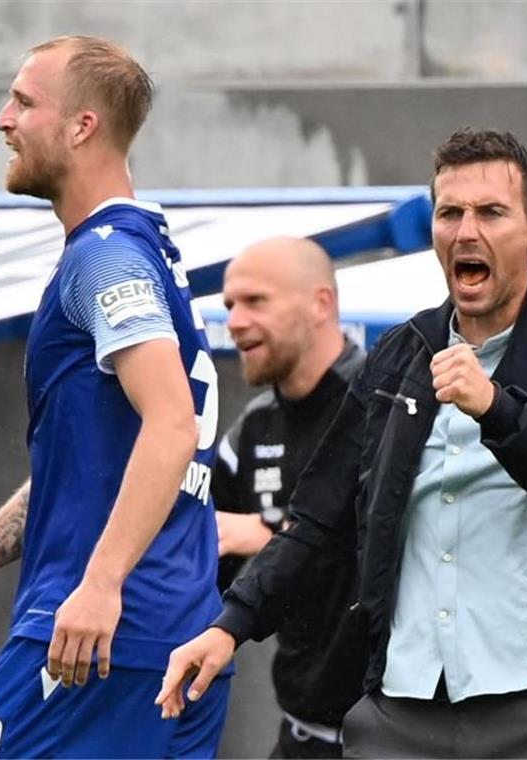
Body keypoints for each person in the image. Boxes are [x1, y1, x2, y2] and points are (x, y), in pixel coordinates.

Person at [156, 127, 527, 759]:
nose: (467, 230)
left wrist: (496, 408)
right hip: (398, 712)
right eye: (450, 213)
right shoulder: (400, 356)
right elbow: (317, 520)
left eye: (491, 212)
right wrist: (230, 627)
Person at [0, 35, 229, 759]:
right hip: (168, 633)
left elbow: (171, 425)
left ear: (83, 127)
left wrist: (100, 585)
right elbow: (94, 460)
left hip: (94, 638)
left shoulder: (105, 255)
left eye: (23, 102)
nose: (3, 120)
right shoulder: (147, 253)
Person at [212, 237, 367, 758]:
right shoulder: (251, 431)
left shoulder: (385, 406)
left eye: (255, 301)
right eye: (230, 304)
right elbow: (211, 568)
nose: (234, 321)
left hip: (399, 738)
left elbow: (400, 546)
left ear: (321, 304)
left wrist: (265, 535)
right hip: (302, 734)